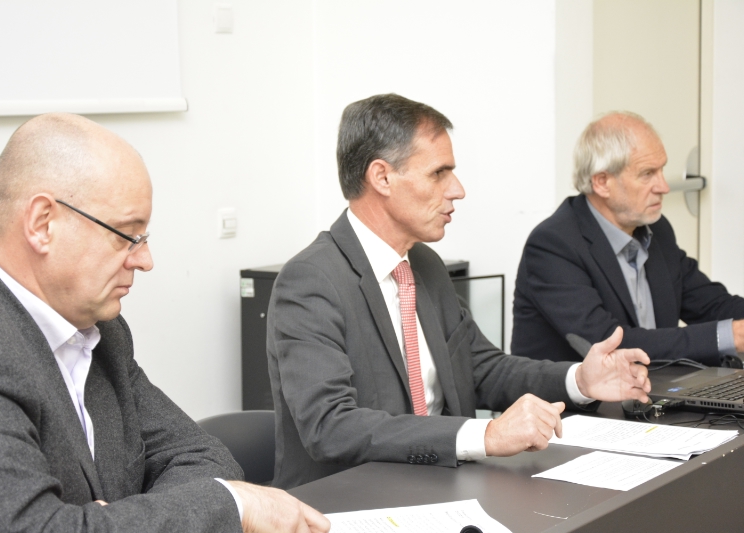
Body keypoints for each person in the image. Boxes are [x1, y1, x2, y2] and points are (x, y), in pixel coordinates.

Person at [0, 113, 329, 533]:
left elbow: (203, 456)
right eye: (126, 236)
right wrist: (233, 504)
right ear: (42, 224)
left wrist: (109, 522)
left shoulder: (101, 334)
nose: (145, 260)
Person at [266, 94, 651, 490]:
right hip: (348, 499)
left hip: (437, 486)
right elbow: (330, 426)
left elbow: (483, 369)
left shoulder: (425, 265)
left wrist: (580, 380)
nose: (458, 190)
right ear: (382, 178)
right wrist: (484, 435)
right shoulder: (311, 280)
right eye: (438, 173)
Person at [512, 111, 744, 366]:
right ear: (602, 182)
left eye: (662, 170)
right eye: (647, 174)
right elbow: (608, 345)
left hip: (655, 384)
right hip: (583, 392)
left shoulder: (657, 229)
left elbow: (710, 304)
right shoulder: (553, 245)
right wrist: (730, 336)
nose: (664, 187)